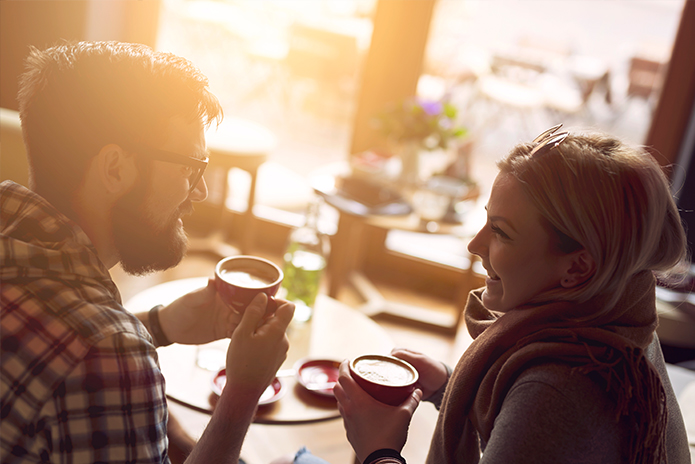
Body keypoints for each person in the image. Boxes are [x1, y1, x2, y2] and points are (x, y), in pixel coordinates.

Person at [0, 41, 294, 464]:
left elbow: (42, 342)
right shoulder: (107, 354)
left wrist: (158, 324)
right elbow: (88, 353)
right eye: (190, 167)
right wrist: (243, 390)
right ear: (116, 168)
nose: (201, 191)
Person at [332, 125, 692, 464]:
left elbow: (552, 420)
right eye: (487, 221)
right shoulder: (621, 322)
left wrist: (378, 449)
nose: (475, 244)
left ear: (578, 268)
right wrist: (449, 385)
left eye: (501, 232)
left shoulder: (557, 394)